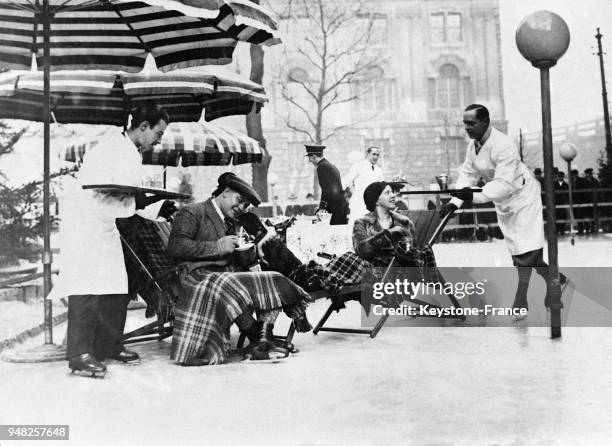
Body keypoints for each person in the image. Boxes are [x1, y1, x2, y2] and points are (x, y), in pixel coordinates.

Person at [49, 103, 170, 377]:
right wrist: (134, 194)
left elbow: (128, 196)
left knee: (116, 285)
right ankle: (79, 353)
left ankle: (109, 344)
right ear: (143, 127)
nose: (159, 140)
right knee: (87, 286)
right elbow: (97, 183)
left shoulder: (133, 152)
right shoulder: (108, 148)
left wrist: (150, 198)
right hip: (87, 226)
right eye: (158, 133)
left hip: (108, 225)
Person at [167, 172, 312, 366]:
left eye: (245, 205)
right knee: (227, 282)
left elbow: (237, 256)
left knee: (270, 277)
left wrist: (250, 253)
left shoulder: (236, 221)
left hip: (226, 275)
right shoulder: (193, 211)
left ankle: (263, 338)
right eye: (240, 200)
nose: (241, 207)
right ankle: (256, 336)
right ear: (226, 192)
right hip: (197, 276)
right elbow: (176, 246)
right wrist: (217, 246)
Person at [439, 104, 565, 319]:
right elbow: (467, 174)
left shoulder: (504, 145)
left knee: (526, 251)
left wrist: (473, 196)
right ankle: (556, 280)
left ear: (485, 122)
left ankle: (521, 299)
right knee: (520, 248)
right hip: (503, 200)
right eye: (465, 124)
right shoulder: (473, 146)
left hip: (522, 196)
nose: (467, 128)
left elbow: (504, 183)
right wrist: (455, 201)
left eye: (471, 123)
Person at [305, 144, 348, 225]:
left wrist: (322, 208)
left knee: (333, 234)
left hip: (334, 207)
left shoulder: (322, 167)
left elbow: (326, 190)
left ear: (314, 156)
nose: (309, 160)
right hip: (340, 205)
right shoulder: (331, 165)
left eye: (309, 157)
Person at [343, 146, 384, 221]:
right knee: (356, 227)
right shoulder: (358, 166)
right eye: (373, 154)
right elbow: (345, 181)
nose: (376, 157)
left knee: (370, 229)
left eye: (377, 155)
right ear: (368, 154)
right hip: (359, 203)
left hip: (372, 205)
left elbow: (382, 187)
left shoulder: (379, 171)